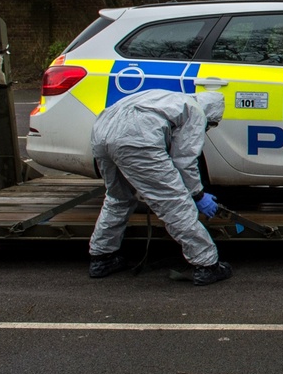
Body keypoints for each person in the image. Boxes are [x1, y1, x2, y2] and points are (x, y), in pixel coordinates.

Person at [87, 90, 232, 286]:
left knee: (118, 197)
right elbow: (184, 161)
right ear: (210, 114)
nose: (208, 128)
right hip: (137, 137)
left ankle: (102, 258)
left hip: (102, 131)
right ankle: (206, 264)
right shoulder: (196, 112)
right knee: (174, 204)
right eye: (211, 124)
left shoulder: (169, 99)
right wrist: (198, 195)